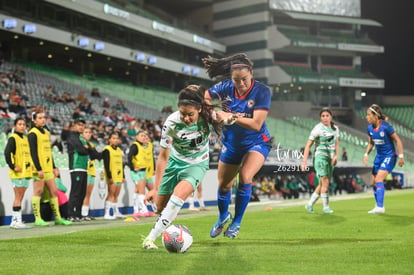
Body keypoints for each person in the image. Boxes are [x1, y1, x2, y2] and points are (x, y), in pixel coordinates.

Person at [202, 53, 273, 239]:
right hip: (231, 143)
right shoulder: (225, 87)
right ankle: (223, 216)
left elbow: (257, 123)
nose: (240, 84)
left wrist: (232, 117)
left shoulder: (262, 91)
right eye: (236, 80)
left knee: (245, 175)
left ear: (251, 74)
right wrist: (214, 113)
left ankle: (237, 222)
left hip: (257, 142)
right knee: (224, 185)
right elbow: (205, 98)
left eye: (244, 79)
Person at [142, 84, 221, 249]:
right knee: (159, 208)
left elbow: (225, 116)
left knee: (178, 196)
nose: (186, 118)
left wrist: (231, 118)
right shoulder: (171, 122)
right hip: (174, 163)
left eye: (190, 114)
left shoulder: (209, 117)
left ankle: (149, 239)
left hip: (197, 164)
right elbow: (163, 157)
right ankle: (167, 227)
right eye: (182, 113)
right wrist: (155, 188)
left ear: (199, 110)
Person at [28, 111, 72, 226]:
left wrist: (53, 166)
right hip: (39, 168)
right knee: (38, 191)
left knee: (54, 192)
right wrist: (38, 168)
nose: (43, 120)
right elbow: (33, 152)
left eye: (44, 118)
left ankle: (58, 218)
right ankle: (37, 219)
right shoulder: (32, 133)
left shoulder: (46, 133)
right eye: (40, 118)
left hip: (48, 168)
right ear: (34, 120)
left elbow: (49, 151)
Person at [363, 104, 404, 214]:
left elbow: (398, 141)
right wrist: (366, 154)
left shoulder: (386, 127)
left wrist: (401, 156)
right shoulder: (369, 128)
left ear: (375, 116)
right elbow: (371, 143)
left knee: (379, 179)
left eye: (368, 115)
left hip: (389, 156)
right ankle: (378, 206)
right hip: (378, 157)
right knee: (374, 183)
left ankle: (380, 207)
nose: (367, 117)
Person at [301, 108, 339, 214]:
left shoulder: (335, 129)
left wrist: (336, 156)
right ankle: (326, 207)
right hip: (320, 157)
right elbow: (308, 146)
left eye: (327, 115)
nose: (325, 118)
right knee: (325, 180)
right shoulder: (317, 129)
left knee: (323, 184)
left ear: (331, 117)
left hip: (329, 158)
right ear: (320, 118)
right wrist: (304, 162)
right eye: (323, 116)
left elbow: (336, 143)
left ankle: (309, 204)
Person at [4, 117, 33, 229]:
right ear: (15, 126)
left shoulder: (25, 139)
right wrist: (12, 166)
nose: (22, 126)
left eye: (23, 124)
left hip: (26, 173)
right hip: (17, 173)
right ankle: (16, 220)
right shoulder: (13, 138)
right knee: (18, 197)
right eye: (19, 124)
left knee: (20, 197)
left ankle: (16, 220)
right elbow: (7, 153)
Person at [128, 130, 156, 217]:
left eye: (145, 136)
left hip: (146, 172)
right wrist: (133, 167)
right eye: (142, 136)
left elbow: (152, 158)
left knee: (149, 190)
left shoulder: (148, 146)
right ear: (136, 137)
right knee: (140, 191)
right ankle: (142, 210)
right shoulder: (135, 146)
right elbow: (129, 157)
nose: (144, 138)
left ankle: (139, 209)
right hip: (138, 172)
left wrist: (153, 168)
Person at [102, 132, 126, 220]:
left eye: (117, 138)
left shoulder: (119, 150)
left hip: (119, 175)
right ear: (109, 140)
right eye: (113, 138)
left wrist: (123, 176)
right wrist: (109, 176)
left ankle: (116, 212)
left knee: (116, 194)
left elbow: (121, 164)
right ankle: (107, 213)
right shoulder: (107, 149)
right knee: (111, 194)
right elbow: (106, 164)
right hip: (112, 175)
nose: (115, 140)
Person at [81, 126, 101, 221]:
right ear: (82, 134)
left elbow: (97, 156)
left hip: (92, 170)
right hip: (84, 170)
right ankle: (80, 213)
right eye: (86, 132)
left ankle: (85, 213)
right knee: (83, 193)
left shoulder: (92, 145)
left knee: (88, 193)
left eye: (89, 132)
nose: (88, 134)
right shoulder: (80, 143)